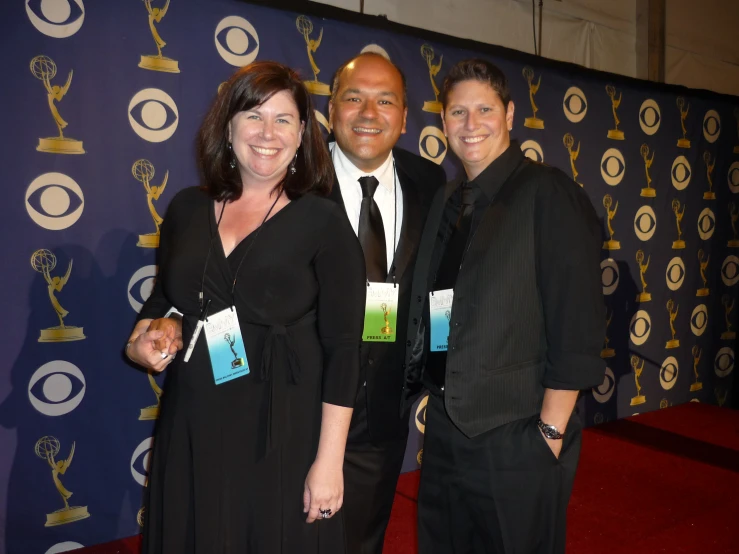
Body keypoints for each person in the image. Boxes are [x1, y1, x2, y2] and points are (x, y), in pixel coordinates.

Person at [125, 60, 366, 554]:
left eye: (284, 120)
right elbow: (164, 302)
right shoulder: (187, 208)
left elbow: (345, 350)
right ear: (228, 124)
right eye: (254, 115)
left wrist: (329, 461)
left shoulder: (323, 221)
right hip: (194, 417)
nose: (267, 133)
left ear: (302, 135)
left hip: (281, 431)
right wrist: (143, 341)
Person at [402, 59, 606, 553]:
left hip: (517, 434)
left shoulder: (549, 194)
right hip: (449, 428)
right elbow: (442, 302)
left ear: (510, 115)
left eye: (484, 109)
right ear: (443, 121)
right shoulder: (450, 200)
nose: (470, 125)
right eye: (457, 112)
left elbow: (577, 323)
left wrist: (548, 435)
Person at [327, 52, 446, 553]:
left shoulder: (430, 181)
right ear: (331, 110)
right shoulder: (291, 178)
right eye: (354, 98)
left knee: (361, 537)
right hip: (297, 405)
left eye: (385, 100)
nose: (368, 112)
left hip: (385, 408)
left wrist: (437, 369)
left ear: (403, 117)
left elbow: (441, 286)